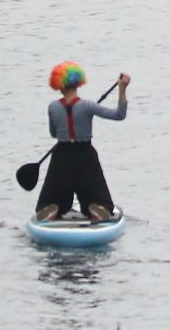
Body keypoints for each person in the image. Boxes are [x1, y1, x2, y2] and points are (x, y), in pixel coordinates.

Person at [34, 63, 130, 224]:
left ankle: (52, 207)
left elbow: (53, 133)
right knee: (94, 190)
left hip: (61, 155)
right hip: (85, 154)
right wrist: (122, 88)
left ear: (58, 85)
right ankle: (97, 207)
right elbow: (119, 115)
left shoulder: (53, 107)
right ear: (78, 83)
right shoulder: (87, 106)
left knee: (54, 192)